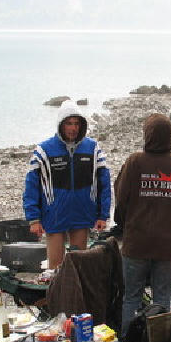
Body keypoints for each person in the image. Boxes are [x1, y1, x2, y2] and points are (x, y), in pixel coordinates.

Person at [114, 113, 171, 338]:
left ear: (147, 135)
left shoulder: (135, 162)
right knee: (162, 299)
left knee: (132, 297)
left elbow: (121, 198)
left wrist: (123, 224)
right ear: (170, 136)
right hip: (167, 245)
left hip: (136, 243)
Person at [23, 102, 110, 270]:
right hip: (54, 215)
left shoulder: (93, 148)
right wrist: (34, 219)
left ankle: (77, 289)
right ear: (61, 125)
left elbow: (104, 183)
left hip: (82, 214)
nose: (73, 128)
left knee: (79, 266)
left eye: (77, 123)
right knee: (55, 268)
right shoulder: (43, 150)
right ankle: (55, 288)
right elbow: (31, 186)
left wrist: (102, 215)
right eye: (69, 123)